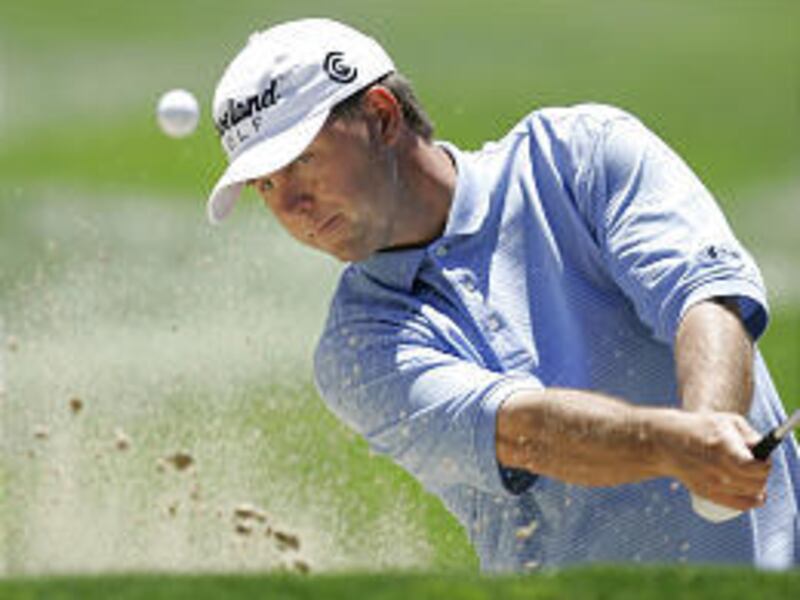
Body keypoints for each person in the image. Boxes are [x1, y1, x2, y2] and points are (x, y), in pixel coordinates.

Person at [207, 18, 799, 571]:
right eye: (265, 184)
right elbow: (525, 432)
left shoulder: (579, 153)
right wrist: (682, 448)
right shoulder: (357, 350)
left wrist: (712, 427)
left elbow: (704, 297)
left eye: (303, 161)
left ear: (383, 117)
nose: (290, 208)